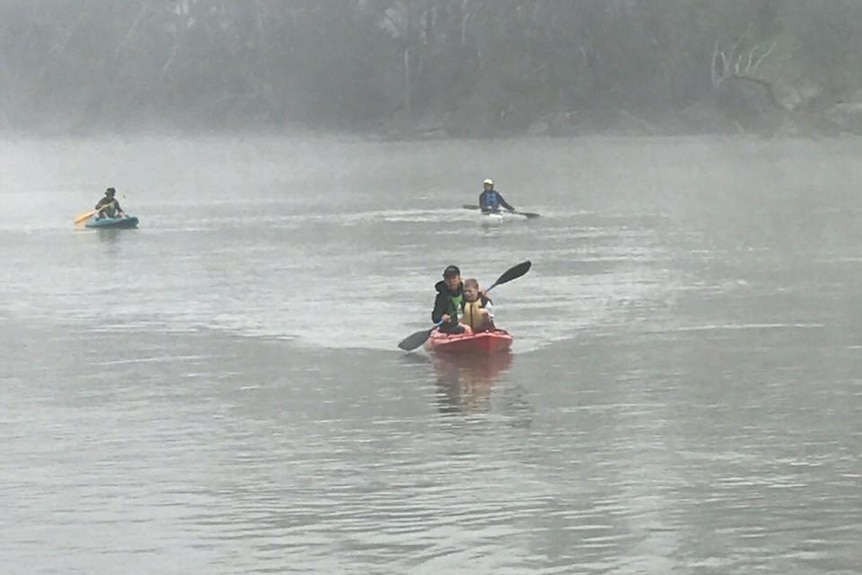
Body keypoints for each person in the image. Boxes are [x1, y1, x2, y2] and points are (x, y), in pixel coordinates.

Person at [432, 265, 466, 334]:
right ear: (444, 280)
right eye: (448, 279)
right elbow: (435, 317)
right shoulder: (442, 297)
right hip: (450, 328)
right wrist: (442, 317)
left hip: (468, 325)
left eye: (454, 278)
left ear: (459, 279)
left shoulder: (467, 292)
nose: (451, 281)